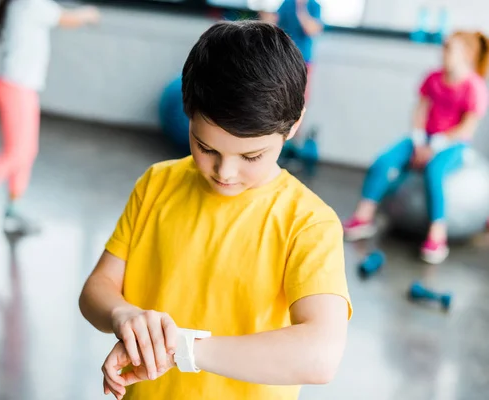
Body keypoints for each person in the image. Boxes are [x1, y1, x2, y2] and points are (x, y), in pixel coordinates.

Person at [78, 21, 352, 400]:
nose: (225, 172)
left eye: (251, 156)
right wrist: (121, 315)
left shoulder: (308, 223)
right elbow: (97, 288)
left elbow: (321, 354)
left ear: (294, 124)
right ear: (187, 112)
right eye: (206, 148)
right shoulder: (157, 183)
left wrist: (182, 350)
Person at [0, 0, 100, 244]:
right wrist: (89, 13)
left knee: (27, 152)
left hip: (23, 89)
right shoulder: (30, 4)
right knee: (15, 153)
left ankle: (12, 213)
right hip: (15, 89)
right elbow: (68, 19)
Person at [344, 31, 489, 264]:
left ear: (467, 55)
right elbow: (420, 110)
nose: (443, 53)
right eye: (444, 48)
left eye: (449, 49)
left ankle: (437, 235)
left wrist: (436, 146)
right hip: (424, 138)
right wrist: (420, 140)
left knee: (434, 172)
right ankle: (364, 217)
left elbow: (467, 128)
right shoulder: (432, 78)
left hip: (453, 144)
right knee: (384, 161)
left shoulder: (475, 87)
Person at [260, 0, 323, 159]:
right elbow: (274, 24)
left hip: (303, 63)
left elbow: (312, 29)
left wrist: (301, 9)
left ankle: (292, 146)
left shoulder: (314, 6)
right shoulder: (286, 3)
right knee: (277, 99)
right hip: (283, 60)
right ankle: (274, 144)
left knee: (298, 103)